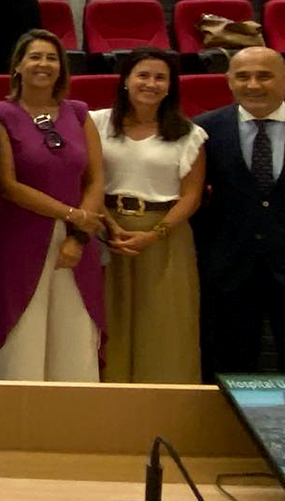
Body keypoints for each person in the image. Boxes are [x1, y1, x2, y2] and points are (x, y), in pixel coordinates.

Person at [0, 31, 104, 381]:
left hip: (75, 245)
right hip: (19, 240)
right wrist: (71, 214)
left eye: (51, 58)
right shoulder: (0, 113)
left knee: (75, 342)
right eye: (34, 57)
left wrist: (78, 234)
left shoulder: (79, 114)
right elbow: (9, 186)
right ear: (17, 66)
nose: (43, 64)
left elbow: (95, 180)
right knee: (22, 342)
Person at [195, 47, 285, 376]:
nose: (253, 85)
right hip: (229, 273)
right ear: (229, 81)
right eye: (243, 76)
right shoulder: (203, 131)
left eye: (264, 76)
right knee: (229, 369)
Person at [93, 49, 205, 384]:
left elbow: (191, 195)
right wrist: (108, 225)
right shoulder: (96, 122)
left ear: (171, 86)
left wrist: (154, 233)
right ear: (125, 80)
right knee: (109, 321)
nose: (151, 84)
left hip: (164, 235)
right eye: (142, 75)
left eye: (160, 77)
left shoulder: (189, 133)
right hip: (105, 230)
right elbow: (88, 180)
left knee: (164, 325)